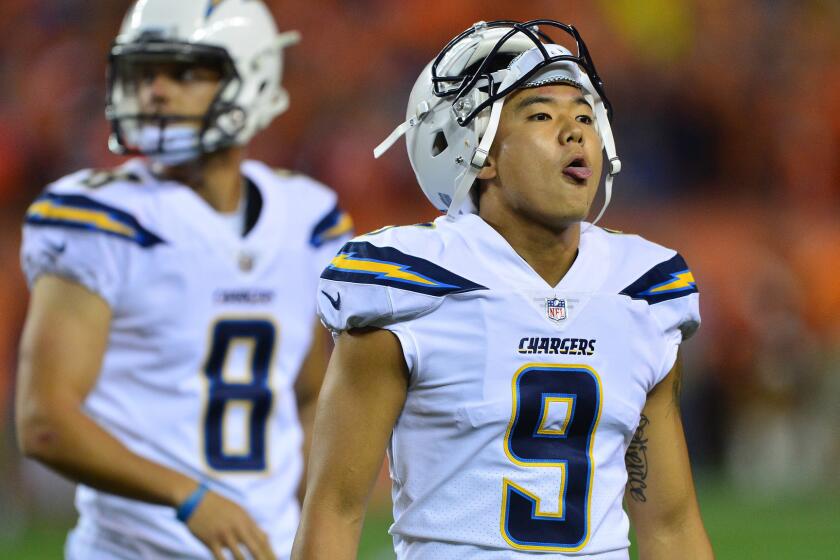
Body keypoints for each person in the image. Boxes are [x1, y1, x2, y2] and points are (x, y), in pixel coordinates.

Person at [293, 20, 714, 559]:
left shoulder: (639, 292)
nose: (574, 132)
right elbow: (334, 511)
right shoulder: (407, 286)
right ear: (479, 152)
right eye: (541, 115)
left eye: (585, 116)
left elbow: (670, 527)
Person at [15, 1, 352, 559]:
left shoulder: (307, 219)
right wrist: (191, 497)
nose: (157, 92)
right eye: (146, 73)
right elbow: (44, 421)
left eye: (185, 73)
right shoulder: (101, 219)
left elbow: (314, 395)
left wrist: (305, 519)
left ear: (253, 78)